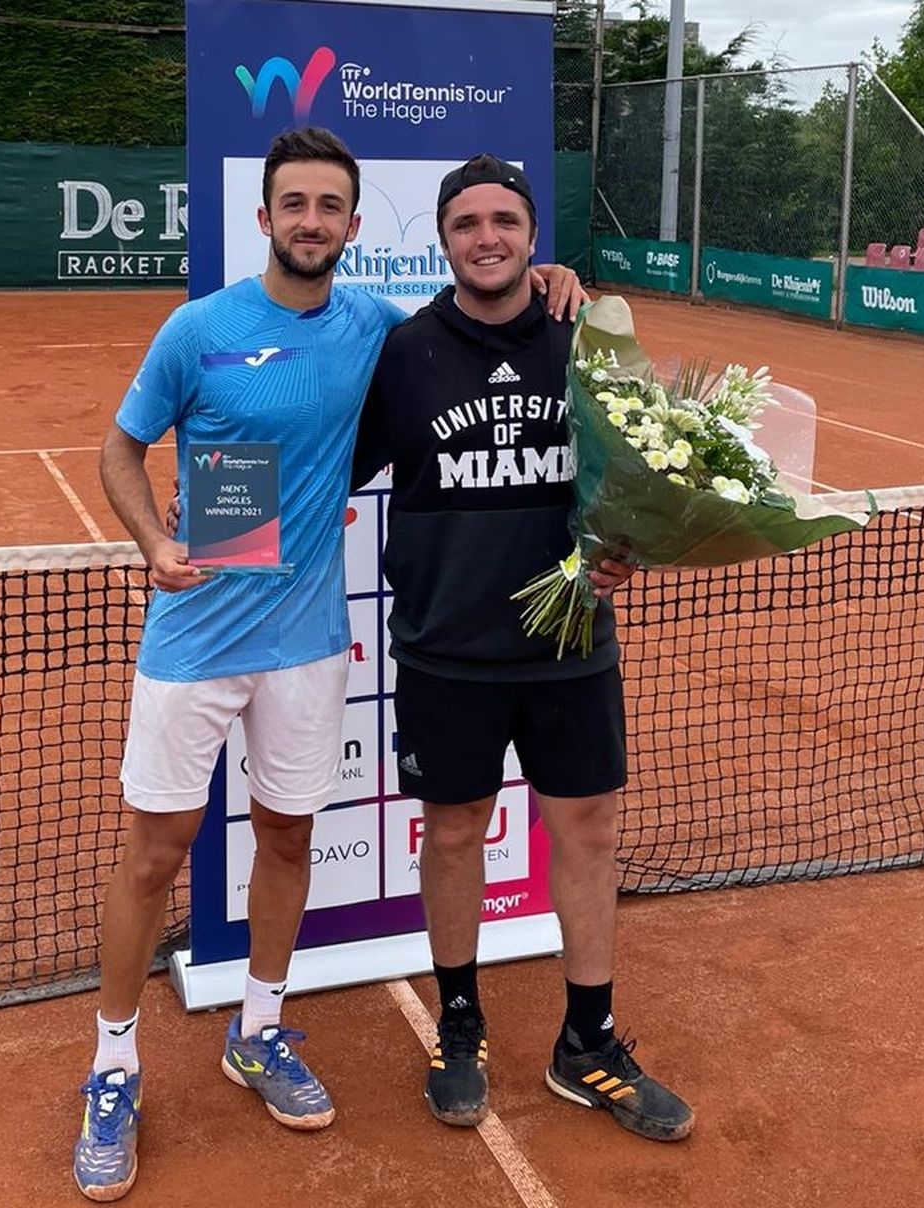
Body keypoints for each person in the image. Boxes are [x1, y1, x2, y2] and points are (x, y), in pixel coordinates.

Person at [75, 128, 584, 1202]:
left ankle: (259, 1028)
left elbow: (480, 320)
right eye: (292, 203)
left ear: (355, 226)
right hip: (195, 638)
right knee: (153, 854)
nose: (311, 221)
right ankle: (111, 1063)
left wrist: (552, 278)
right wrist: (154, 543)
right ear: (263, 218)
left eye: (330, 207)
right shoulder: (198, 327)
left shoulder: (382, 334)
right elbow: (122, 447)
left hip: (307, 642)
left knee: (287, 837)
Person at [351, 154, 696, 1142]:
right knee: (453, 831)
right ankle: (458, 1020)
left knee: (584, 829)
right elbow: (323, 462)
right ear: (444, 240)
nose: (486, 236)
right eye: (466, 222)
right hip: (445, 647)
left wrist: (627, 541)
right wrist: (207, 508)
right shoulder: (405, 352)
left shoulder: (587, 342)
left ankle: (587, 1040)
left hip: (571, 643)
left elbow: (637, 476)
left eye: (504, 219)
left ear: (533, 237)